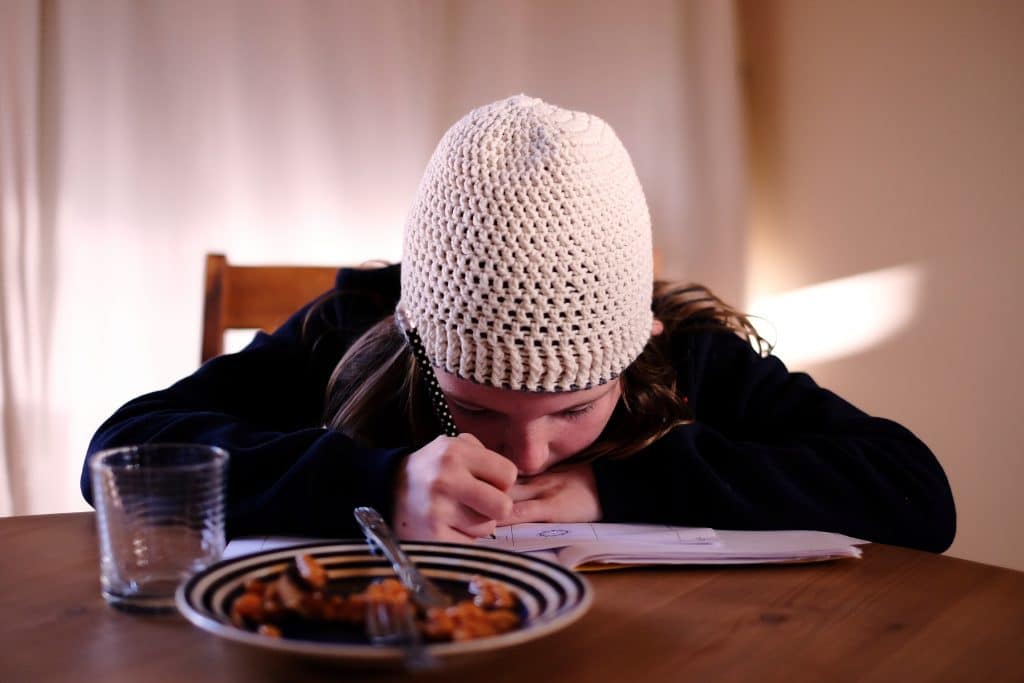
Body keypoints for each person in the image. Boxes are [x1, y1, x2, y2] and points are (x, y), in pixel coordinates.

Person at [81, 95, 955, 552]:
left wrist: (627, 486)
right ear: (411, 337)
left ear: (640, 336)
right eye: (481, 408)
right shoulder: (351, 324)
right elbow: (122, 457)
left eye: (575, 410)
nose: (528, 458)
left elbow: (916, 490)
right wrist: (380, 482)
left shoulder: (687, 358)